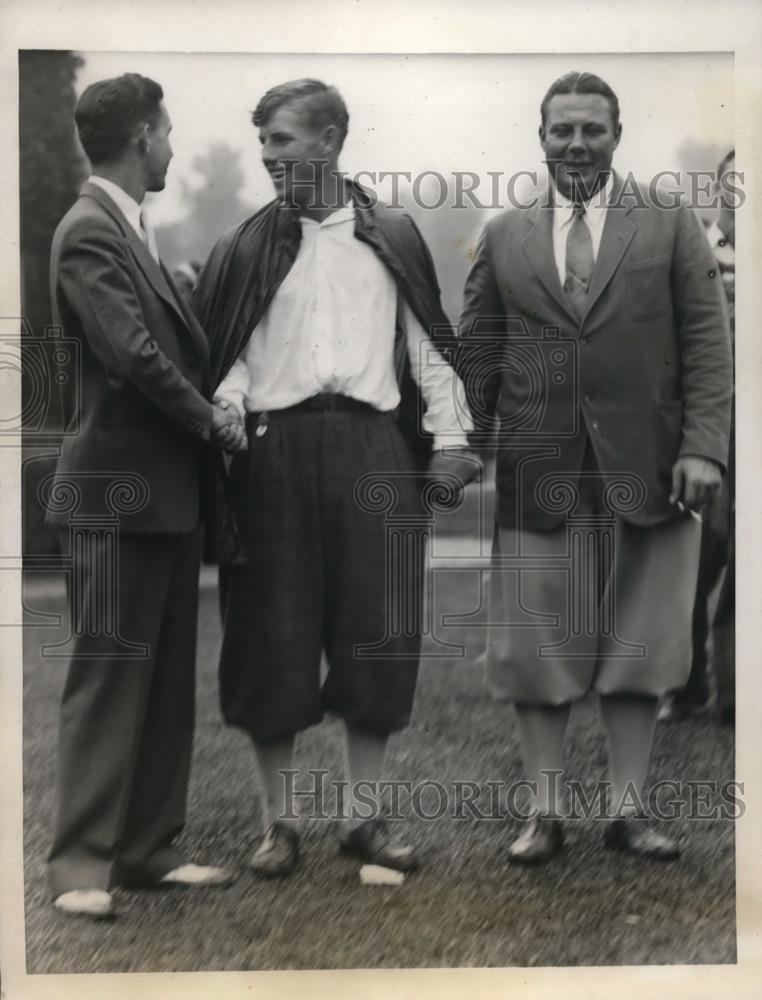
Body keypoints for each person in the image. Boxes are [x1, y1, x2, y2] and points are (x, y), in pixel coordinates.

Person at [194, 78, 478, 877]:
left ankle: (363, 820)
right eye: (261, 143)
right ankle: (277, 824)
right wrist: (227, 403)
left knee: (377, 635)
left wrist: (452, 439)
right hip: (272, 454)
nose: (267, 156)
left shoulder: (390, 233)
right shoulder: (246, 243)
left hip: (374, 451)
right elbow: (234, 357)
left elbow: (430, 347)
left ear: (328, 140)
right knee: (268, 637)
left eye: (281, 140)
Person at [458, 71, 732, 863]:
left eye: (593, 129)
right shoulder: (505, 233)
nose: (577, 143)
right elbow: (478, 350)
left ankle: (629, 810)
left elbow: (710, 347)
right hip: (538, 475)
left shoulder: (669, 222)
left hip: (652, 472)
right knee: (535, 652)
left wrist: (703, 447)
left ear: (618, 134)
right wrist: (463, 443)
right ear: (539, 137)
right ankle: (545, 814)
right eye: (561, 129)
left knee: (640, 646)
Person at [46, 73, 245, 918]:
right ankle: (80, 868)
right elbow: (131, 354)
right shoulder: (90, 231)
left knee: (163, 681)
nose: (170, 147)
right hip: (113, 495)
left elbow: (159, 340)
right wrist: (212, 420)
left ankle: (147, 850)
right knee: (109, 675)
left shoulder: (130, 228)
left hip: (160, 495)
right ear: (142, 137)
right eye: (165, 133)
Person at [659, 149, 736, 726]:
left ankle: (735, 695)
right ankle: (681, 685)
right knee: (692, 558)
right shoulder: (694, 251)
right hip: (706, 429)